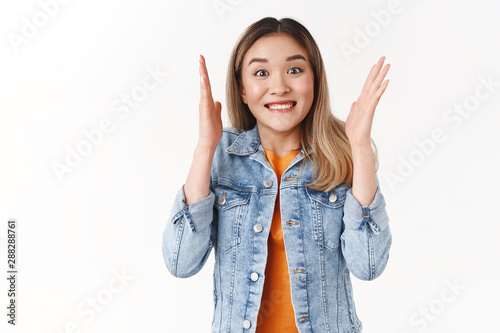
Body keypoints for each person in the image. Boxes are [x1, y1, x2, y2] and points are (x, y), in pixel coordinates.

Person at [162, 16, 392, 333]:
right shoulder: (221, 155)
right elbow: (179, 261)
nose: (280, 86)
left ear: (315, 80)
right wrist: (205, 146)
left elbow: (368, 265)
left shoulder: (342, 156)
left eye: (295, 70)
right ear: (242, 89)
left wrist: (360, 146)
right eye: (261, 73)